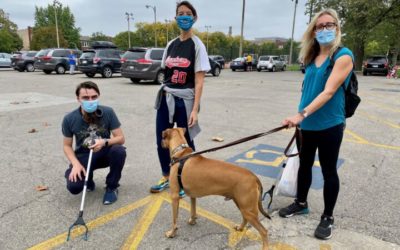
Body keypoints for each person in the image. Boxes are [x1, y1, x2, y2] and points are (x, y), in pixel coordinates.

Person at [278, 9, 354, 240]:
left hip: (330, 124)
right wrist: (301, 118)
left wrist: (301, 114)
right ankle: (301, 203)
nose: (324, 29)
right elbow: (309, 90)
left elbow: (329, 91)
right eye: (319, 26)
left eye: (329, 25)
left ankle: (328, 217)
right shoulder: (311, 57)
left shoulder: (343, 56)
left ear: (337, 29)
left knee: (329, 171)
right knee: (304, 165)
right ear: (313, 31)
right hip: (307, 124)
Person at [152, 1, 211, 195]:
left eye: (188, 13)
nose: (184, 17)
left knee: (187, 142)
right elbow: (166, 71)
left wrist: (195, 110)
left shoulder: (197, 46)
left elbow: (199, 82)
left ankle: (187, 179)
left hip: (185, 100)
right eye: (180, 13)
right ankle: (167, 175)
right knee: (163, 138)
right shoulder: (171, 44)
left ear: (194, 18)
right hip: (167, 97)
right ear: (175, 18)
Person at [62, 81, 126, 205]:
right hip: (84, 156)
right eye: (85, 98)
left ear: (98, 96)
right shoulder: (69, 119)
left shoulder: (108, 112)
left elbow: (120, 138)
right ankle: (86, 177)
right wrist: (75, 164)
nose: (90, 100)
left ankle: (112, 187)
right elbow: (67, 145)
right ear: (78, 99)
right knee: (74, 188)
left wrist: (104, 142)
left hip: (104, 153)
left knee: (119, 151)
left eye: (94, 97)